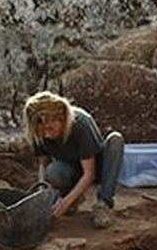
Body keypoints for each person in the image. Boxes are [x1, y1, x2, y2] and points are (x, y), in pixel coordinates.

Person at [23, 91, 124, 229]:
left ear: (61, 118)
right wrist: (43, 194)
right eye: (42, 132)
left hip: (97, 168)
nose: (47, 135)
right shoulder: (38, 130)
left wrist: (65, 203)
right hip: (70, 170)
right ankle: (73, 197)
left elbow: (89, 174)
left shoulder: (80, 123)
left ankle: (103, 204)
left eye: (50, 129)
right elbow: (43, 164)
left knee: (116, 140)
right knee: (53, 172)